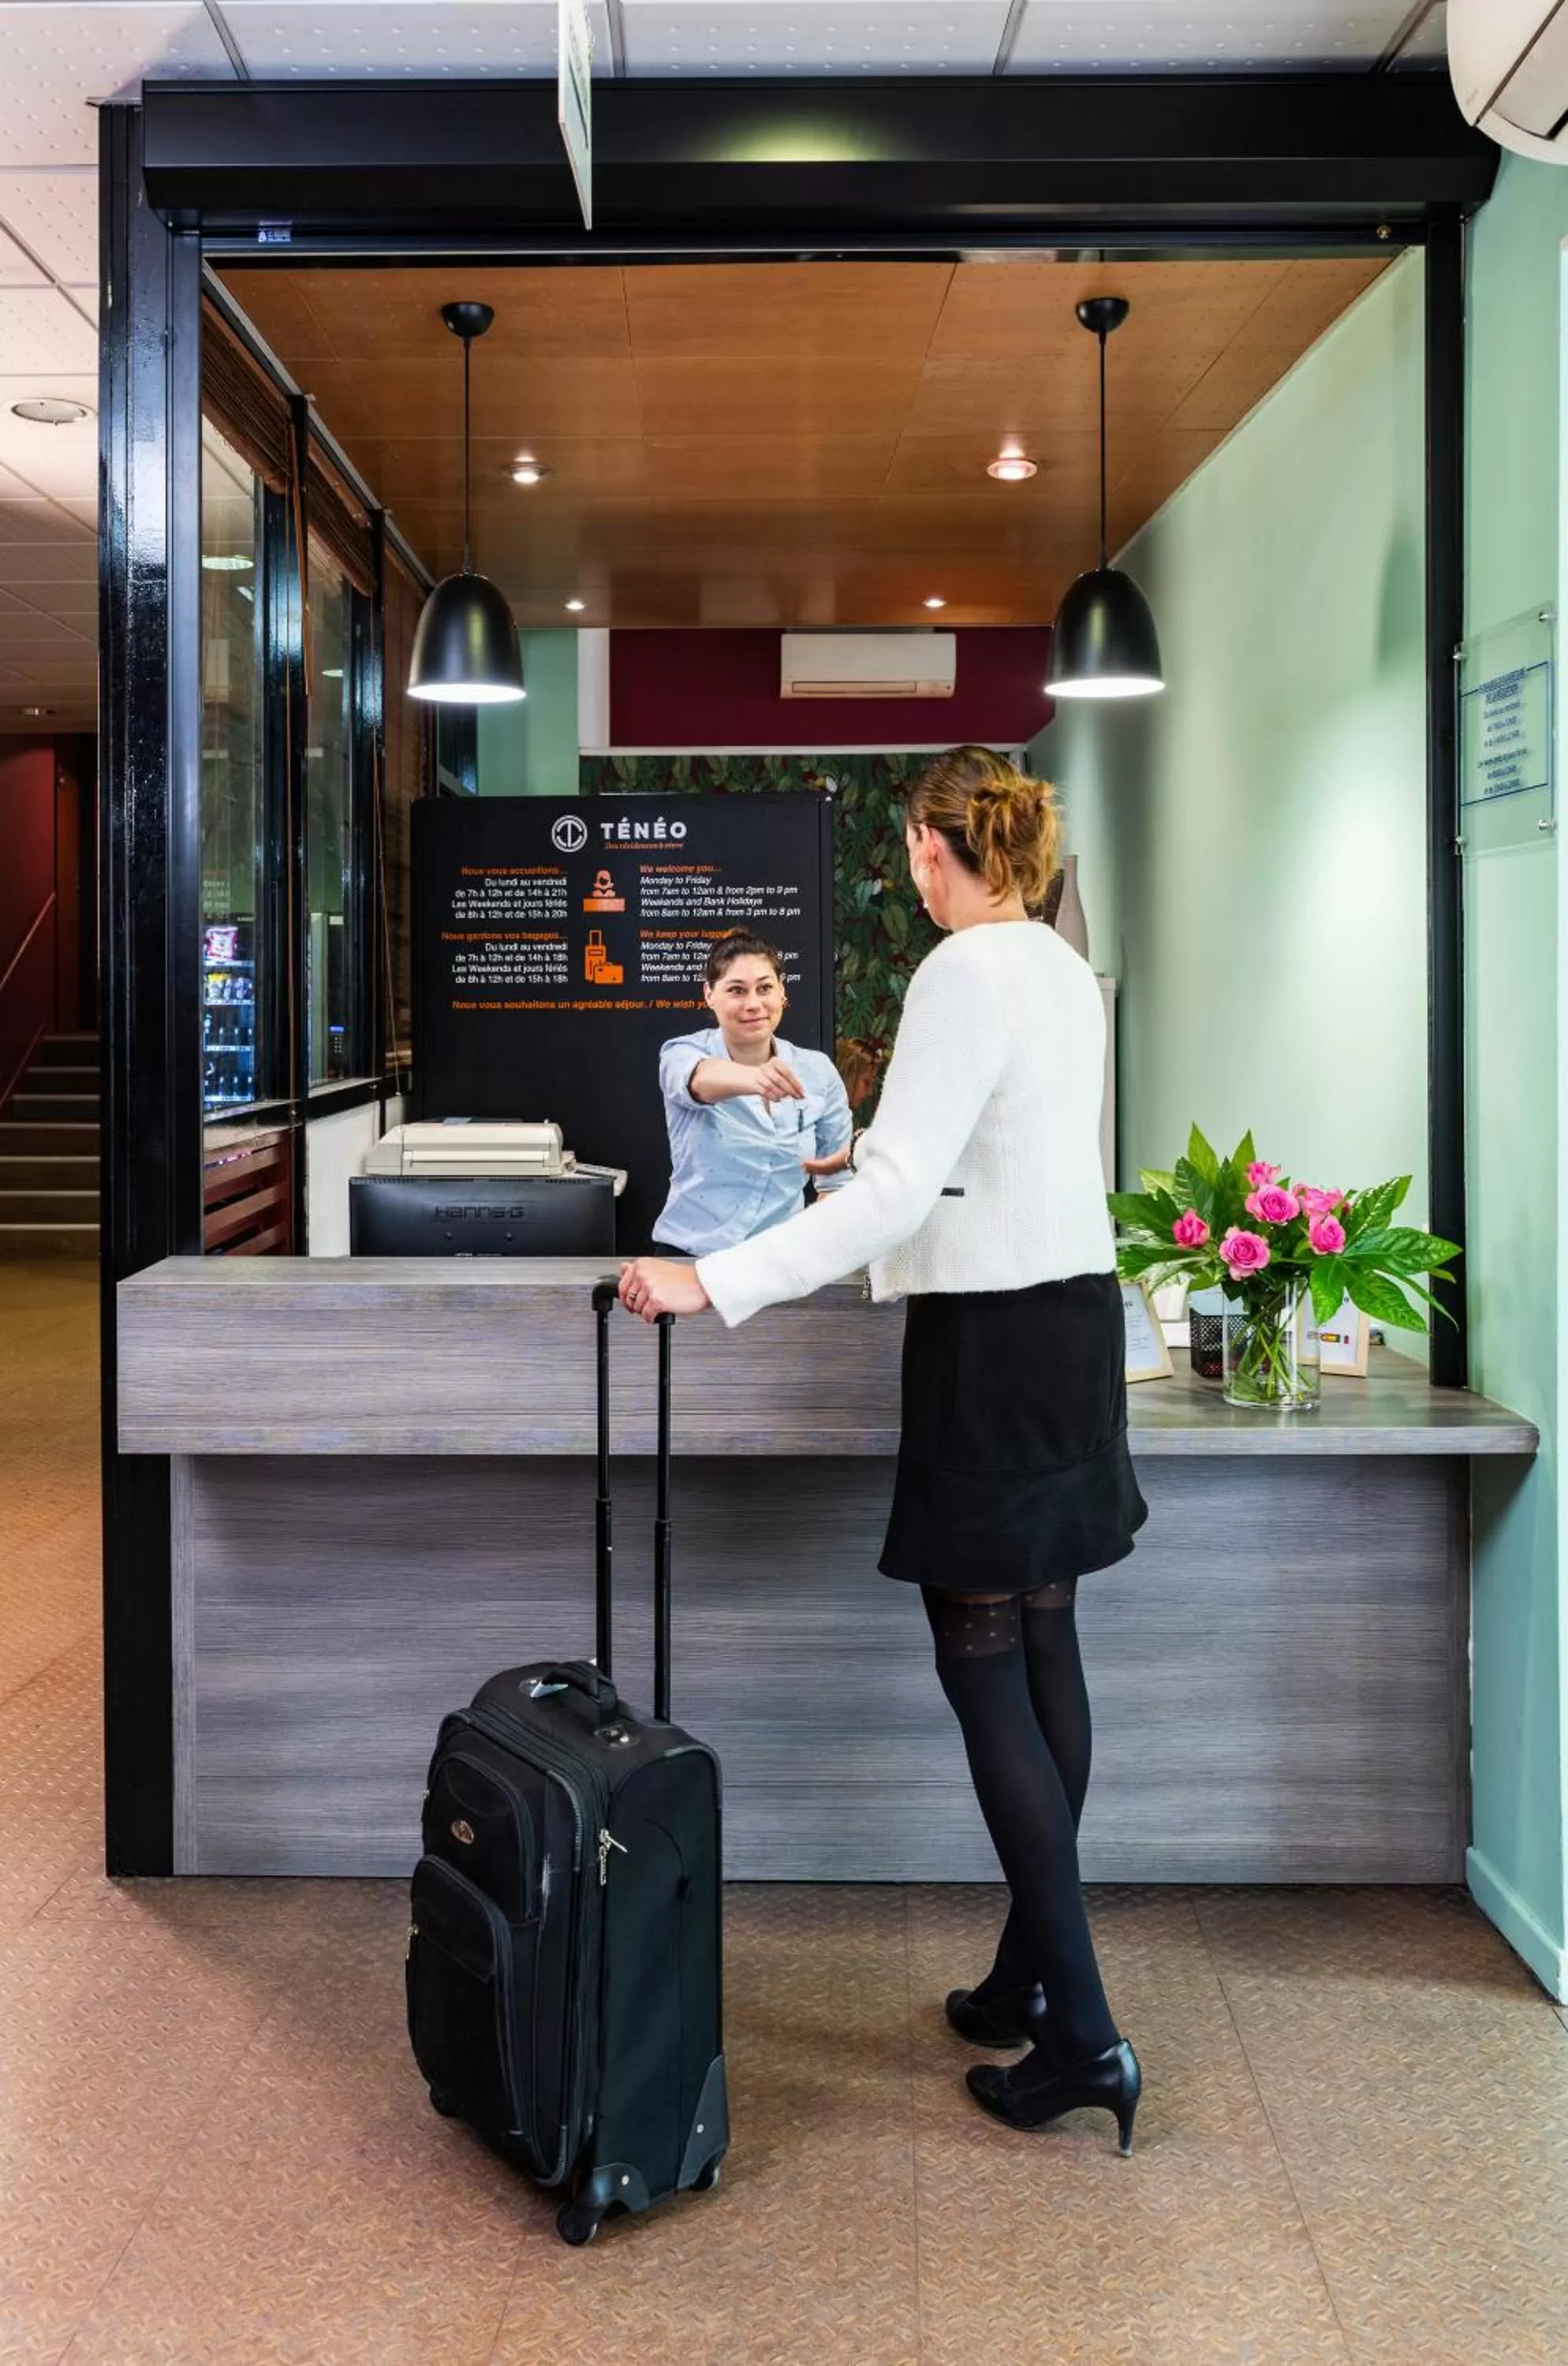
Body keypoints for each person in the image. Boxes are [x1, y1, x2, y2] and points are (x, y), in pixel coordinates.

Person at [620, 746, 1148, 2152]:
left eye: (909, 851)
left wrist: (709, 1283)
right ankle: (1024, 1977)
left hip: (987, 1343)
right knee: (1047, 1651)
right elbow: (986, 1154)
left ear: (930, 844)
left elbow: (909, 1185)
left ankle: (1084, 2037)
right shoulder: (1048, 963)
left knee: (984, 1672)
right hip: (1071, 1324)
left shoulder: (956, 972)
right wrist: (849, 1176)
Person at [652, 927, 853, 1256]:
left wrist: (815, 1249)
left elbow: (836, 1179)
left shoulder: (817, 1072)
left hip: (778, 1264)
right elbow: (698, 1080)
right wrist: (755, 1078)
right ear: (709, 994)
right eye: (737, 990)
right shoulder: (683, 1053)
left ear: (781, 992)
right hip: (691, 1259)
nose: (753, 1004)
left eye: (764, 988)